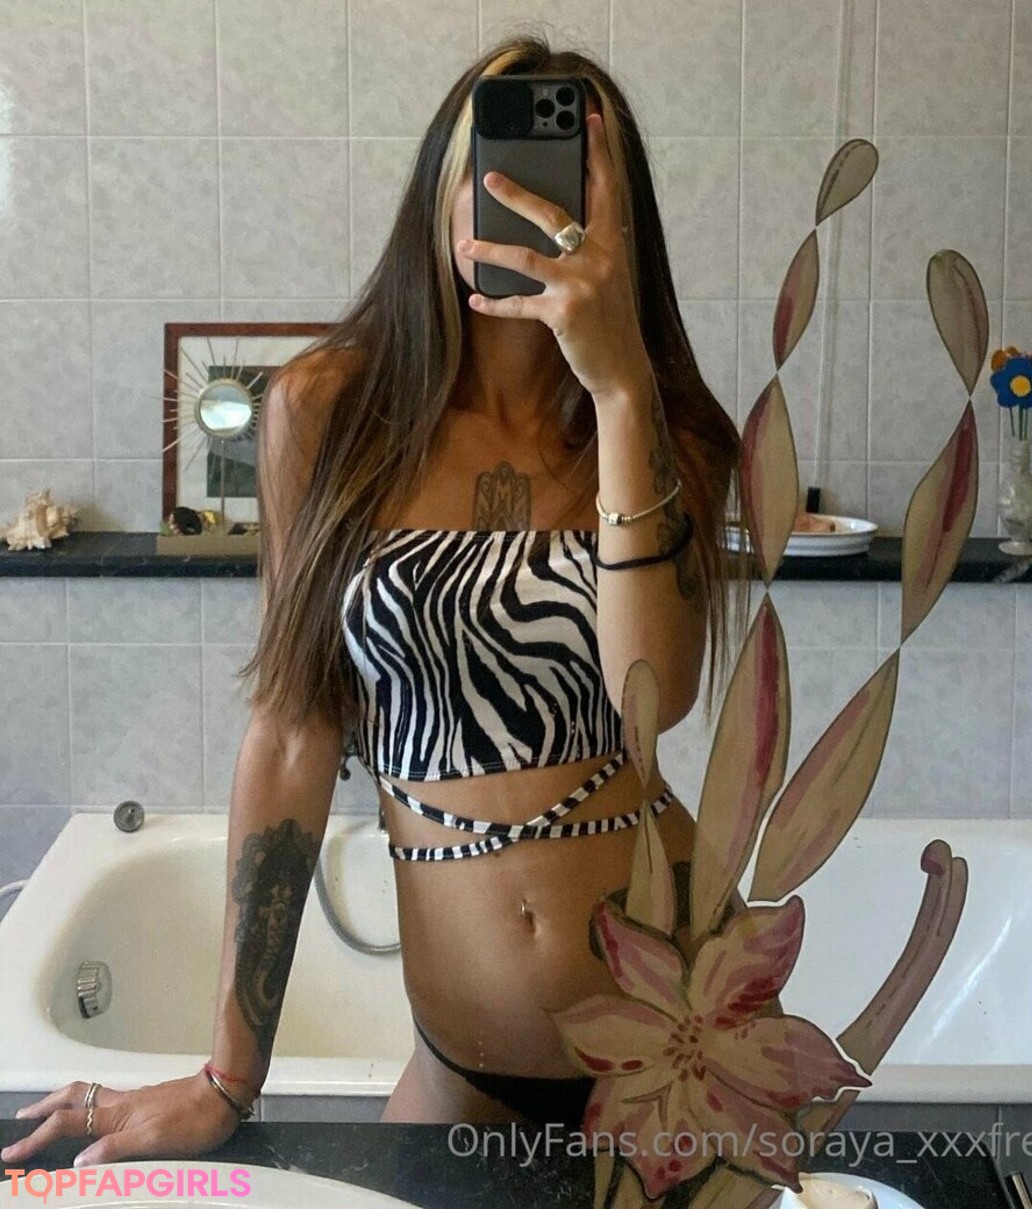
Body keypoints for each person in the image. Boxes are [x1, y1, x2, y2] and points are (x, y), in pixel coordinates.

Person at [1, 32, 748, 1167]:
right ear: (441, 187)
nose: (527, 198)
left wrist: (619, 392)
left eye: (568, 176)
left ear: (622, 220)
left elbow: (659, 693)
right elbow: (292, 729)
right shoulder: (326, 412)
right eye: (494, 163)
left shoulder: (666, 428)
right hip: (461, 1066)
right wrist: (227, 1077)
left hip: (676, 1049)